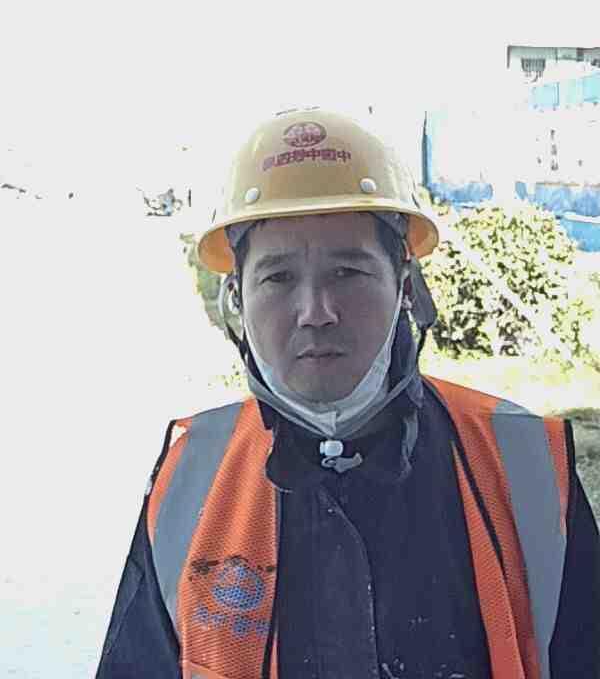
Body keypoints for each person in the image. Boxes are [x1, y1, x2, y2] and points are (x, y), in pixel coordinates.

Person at [96, 107, 600, 679]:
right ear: (236, 296)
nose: (316, 312)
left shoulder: (525, 466)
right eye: (278, 278)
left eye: (348, 273)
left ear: (404, 285)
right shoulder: (190, 477)